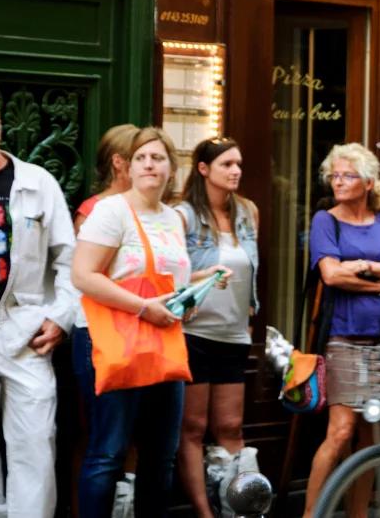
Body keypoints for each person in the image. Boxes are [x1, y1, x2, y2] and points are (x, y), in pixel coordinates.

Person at [71, 127, 228, 518]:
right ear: (128, 166)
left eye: (157, 158)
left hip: (161, 340)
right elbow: (84, 276)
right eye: (140, 157)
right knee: (108, 452)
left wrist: (196, 289)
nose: (148, 164)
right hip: (112, 340)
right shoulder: (111, 212)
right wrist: (144, 307)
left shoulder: (174, 218)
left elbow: (165, 281)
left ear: (172, 169)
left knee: (161, 455)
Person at [0, 89, 77, 517]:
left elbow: (70, 258)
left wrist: (61, 318)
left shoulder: (37, 182)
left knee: (35, 444)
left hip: (27, 334)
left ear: (1, 129)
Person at [301, 142, 380, 517]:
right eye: (334, 175)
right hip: (344, 337)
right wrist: (379, 280)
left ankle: (358, 514)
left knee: (371, 435)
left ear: (368, 182)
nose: (338, 182)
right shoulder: (326, 221)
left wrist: (364, 266)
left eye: (347, 175)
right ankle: (311, 513)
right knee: (340, 432)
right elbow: (331, 274)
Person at [173, 138, 260, 518]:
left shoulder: (247, 213)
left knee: (231, 426)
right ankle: (204, 513)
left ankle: (237, 508)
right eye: (227, 164)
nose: (236, 171)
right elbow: (168, 275)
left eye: (238, 163)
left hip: (234, 333)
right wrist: (198, 279)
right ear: (204, 169)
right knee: (192, 427)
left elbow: (251, 272)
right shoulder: (183, 215)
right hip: (194, 334)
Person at [75, 124, 140, 232]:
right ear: (118, 162)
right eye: (139, 158)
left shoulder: (150, 205)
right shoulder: (91, 210)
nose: (148, 165)